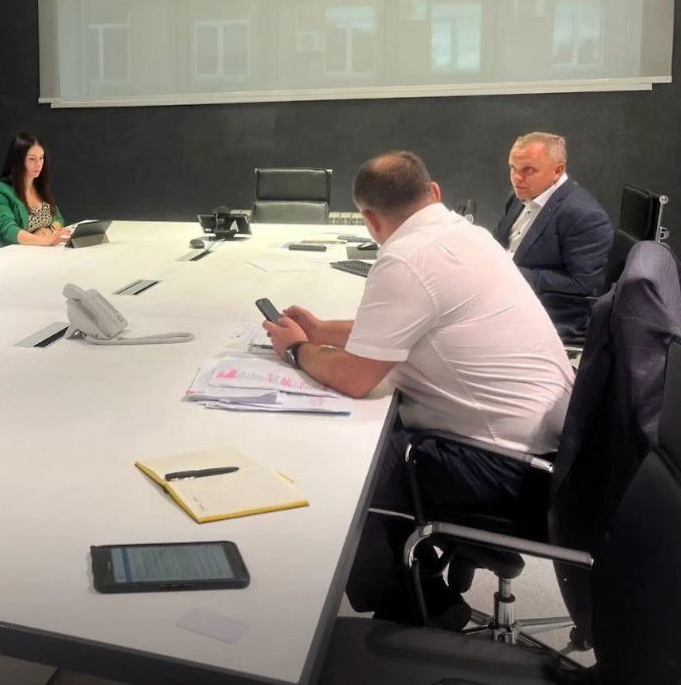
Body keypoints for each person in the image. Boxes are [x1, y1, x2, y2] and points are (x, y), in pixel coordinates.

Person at [262, 151, 574, 628]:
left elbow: (356, 377)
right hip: (552, 455)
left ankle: (412, 611)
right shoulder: (467, 235)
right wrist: (322, 330)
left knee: (349, 466)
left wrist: (296, 350)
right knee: (380, 434)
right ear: (434, 193)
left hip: (507, 469)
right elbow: (403, 326)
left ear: (369, 219)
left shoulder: (405, 259)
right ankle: (424, 580)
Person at [493, 132, 613, 339]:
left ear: (557, 171)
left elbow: (580, 283)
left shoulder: (585, 216)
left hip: (549, 313)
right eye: (513, 167)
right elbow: (500, 241)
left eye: (528, 170)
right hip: (508, 294)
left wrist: (509, 272)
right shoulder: (518, 195)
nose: (516, 178)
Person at [0, 132, 70, 253]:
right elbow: (9, 230)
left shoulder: (39, 186)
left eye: (41, 158)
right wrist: (46, 241)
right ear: (19, 160)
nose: (39, 164)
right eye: (32, 159)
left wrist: (50, 230)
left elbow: (58, 218)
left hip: (34, 252)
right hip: (2, 254)